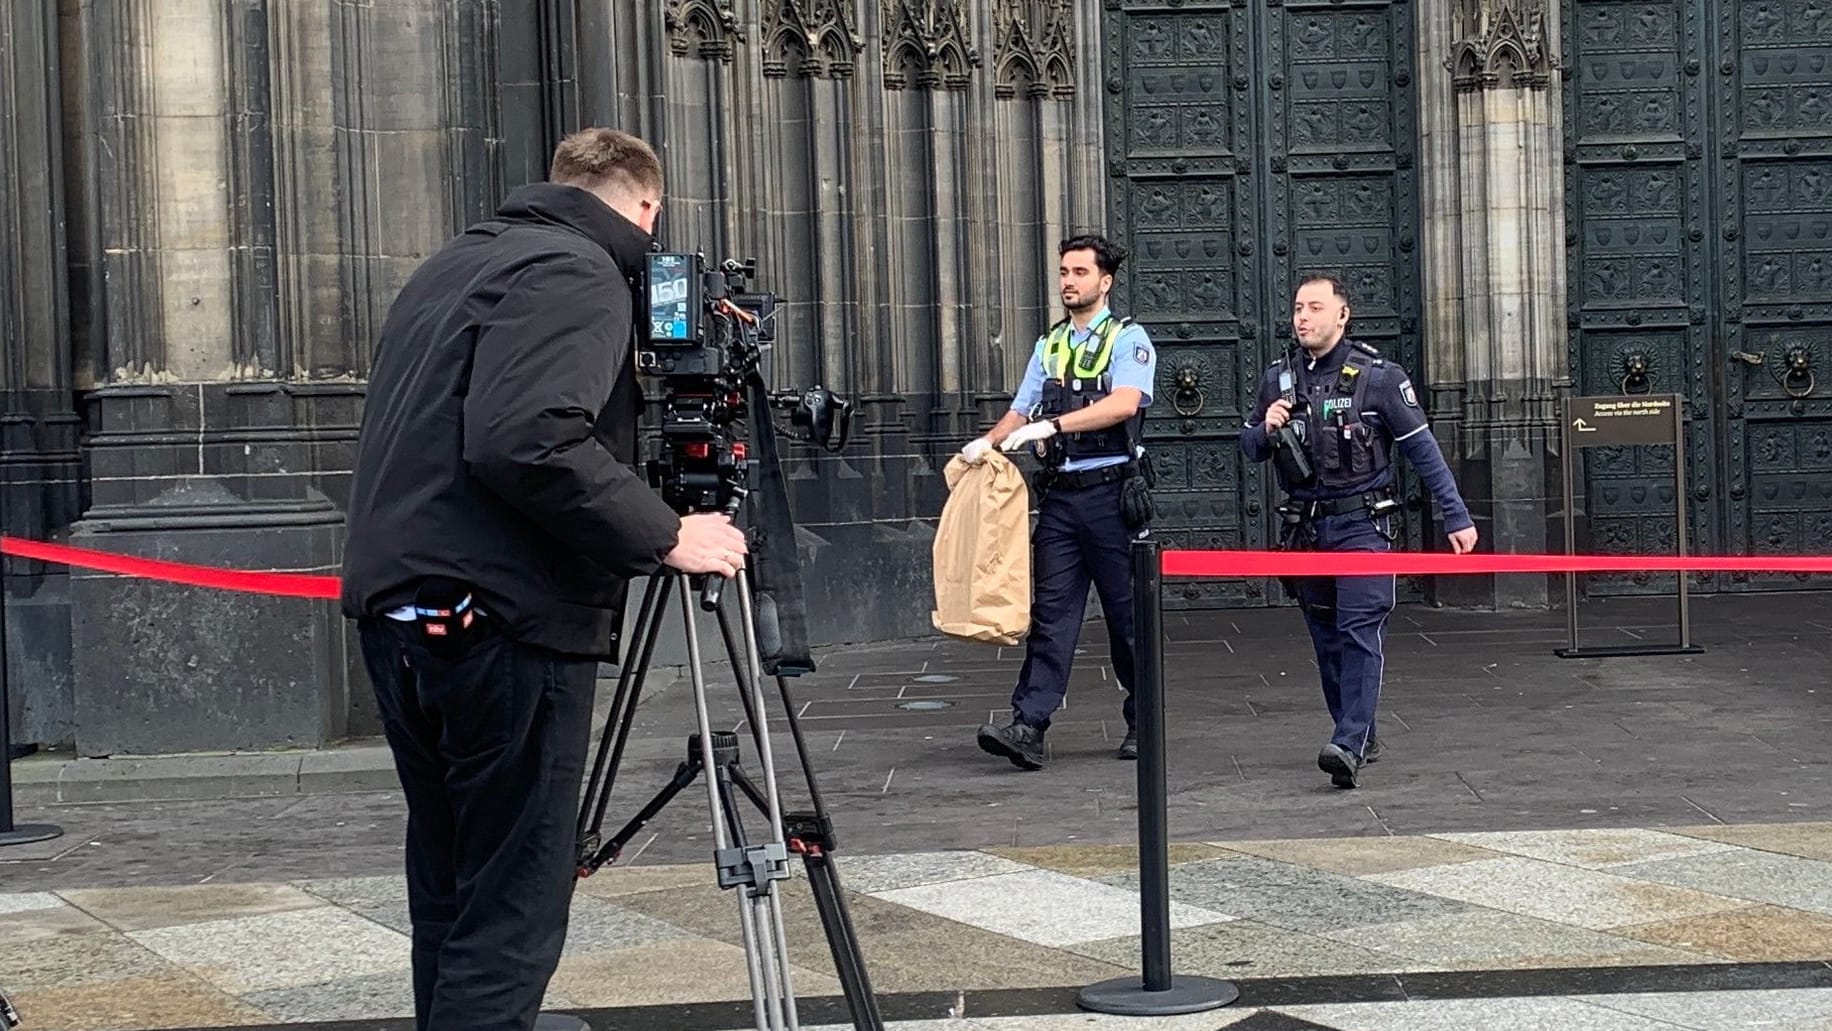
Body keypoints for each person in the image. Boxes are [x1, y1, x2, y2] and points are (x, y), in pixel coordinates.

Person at [339, 128, 749, 1031]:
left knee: (453, 882)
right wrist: (668, 530)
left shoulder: (458, 262)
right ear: (647, 207)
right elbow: (528, 435)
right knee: (513, 902)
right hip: (502, 615)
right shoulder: (578, 271)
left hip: (402, 610)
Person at [1242, 275, 1478, 790]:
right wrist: (1266, 428)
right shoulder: (1278, 379)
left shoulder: (1380, 378)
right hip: (1306, 528)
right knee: (1326, 638)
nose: (1303, 317)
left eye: (1315, 308)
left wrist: (1456, 514)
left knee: (1360, 629)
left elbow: (1422, 449)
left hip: (1363, 525)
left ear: (1342, 316)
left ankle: (1348, 741)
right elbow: (1249, 446)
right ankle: (1359, 733)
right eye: (1299, 308)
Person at [961, 233, 1159, 770]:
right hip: (1062, 502)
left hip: (1112, 495)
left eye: (1079, 272)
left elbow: (1124, 403)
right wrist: (987, 444)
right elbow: (1020, 410)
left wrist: (1055, 423)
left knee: (1127, 620)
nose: (1068, 282)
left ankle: (1146, 723)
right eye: (1064, 273)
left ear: (1105, 280)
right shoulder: (1049, 343)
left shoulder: (1128, 339)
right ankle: (1028, 724)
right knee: (1051, 616)